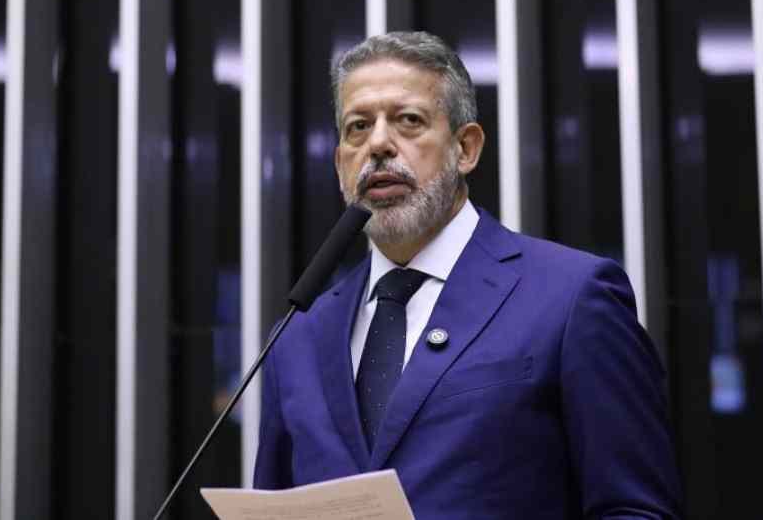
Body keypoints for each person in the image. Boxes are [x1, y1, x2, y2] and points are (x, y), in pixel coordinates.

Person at [254, 31, 681, 519]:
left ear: (466, 148)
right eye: (358, 127)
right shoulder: (297, 338)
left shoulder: (571, 299)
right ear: (340, 165)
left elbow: (637, 510)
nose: (378, 144)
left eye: (408, 120)